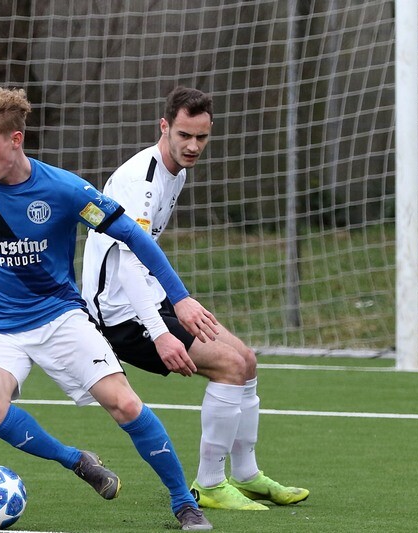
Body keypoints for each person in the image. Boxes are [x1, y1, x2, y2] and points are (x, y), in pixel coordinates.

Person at [0, 87, 219, 530]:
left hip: (59, 317)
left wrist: (180, 297)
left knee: (125, 405)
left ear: (16, 139)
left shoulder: (65, 189)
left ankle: (183, 502)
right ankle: (76, 460)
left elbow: (132, 235)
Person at [81, 86, 309, 511]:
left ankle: (246, 475)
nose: (193, 146)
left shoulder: (177, 172)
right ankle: (210, 484)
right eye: (184, 135)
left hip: (150, 297)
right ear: (164, 127)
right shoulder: (139, 182)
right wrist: (161, 333)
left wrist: (174, 299)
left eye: (201, 137)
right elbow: (127, 266)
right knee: (228, 366)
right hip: (118, 314)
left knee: (247, 359)